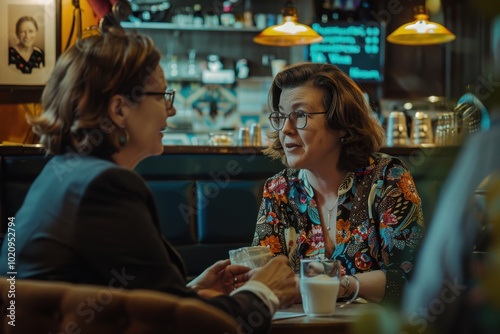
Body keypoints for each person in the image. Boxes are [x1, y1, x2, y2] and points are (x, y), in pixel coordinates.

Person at [0, 28, 297, 333]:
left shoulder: (61, 175)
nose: (172, 110)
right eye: (162, 96)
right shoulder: (105, 188)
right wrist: (263, 292)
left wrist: (188, 293)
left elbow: (138, 309)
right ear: (119, 109)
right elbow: (186, 330)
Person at [251, 62, 424, 306]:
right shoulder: (278, 189)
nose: (286, 129)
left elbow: (409, 278)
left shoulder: (387, 178)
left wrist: (338, 285)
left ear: (341, 122)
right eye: (281, 116)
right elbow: (266, 281)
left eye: (300, 115)